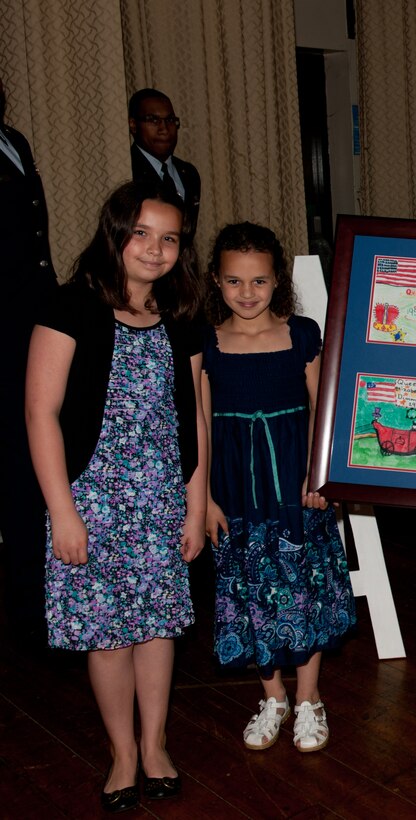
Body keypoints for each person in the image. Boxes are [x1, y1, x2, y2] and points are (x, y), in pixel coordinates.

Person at [25, 180, 206, 811]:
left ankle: (155, 744)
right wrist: (62, 512)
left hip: (159, 495)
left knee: (157, 627)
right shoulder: (70, 305)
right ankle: (122, 753)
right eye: (142, 234)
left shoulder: (182, 315)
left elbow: (194, 418)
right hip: (91, 499)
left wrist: (196, 500)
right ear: (116, 234)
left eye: (170, 239)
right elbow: (40, 413)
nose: (155, 250)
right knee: (107, 633)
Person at [202, 222, 356, 754]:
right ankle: (272, 696)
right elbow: (198, 425)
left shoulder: (303, 333)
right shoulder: (208, 342)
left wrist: (319, 474)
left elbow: (325, 410)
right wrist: (202, 497)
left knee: (304, 586)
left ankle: (309, 698)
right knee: (251, 590)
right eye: (234, 281)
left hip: (296, 482)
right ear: (216, 282)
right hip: (234, 486)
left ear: (278, 282)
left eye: (259, 281)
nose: (247, 293)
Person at [0, 76, 57, 643]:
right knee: (18, 467)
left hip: (34, 318)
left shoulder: (13, 138)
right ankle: (26, 607)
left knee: (42, 458)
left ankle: (47, 591)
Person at [129, 88, 201, 242]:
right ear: (133, 125)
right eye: (153, 120)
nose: (164, 128)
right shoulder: (127, 171)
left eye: (170, 120)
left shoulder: (188, 173)